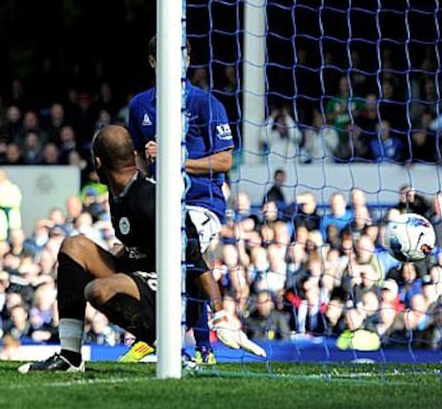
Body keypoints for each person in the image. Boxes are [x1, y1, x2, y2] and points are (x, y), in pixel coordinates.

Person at [17, 125, 264, 374]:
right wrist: (123, 253)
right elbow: (142, 246)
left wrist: (219, 315)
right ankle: (71, 358)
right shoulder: (118, 192)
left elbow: (196, 260)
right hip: (139, 277)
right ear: (133, 155)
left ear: (98, 163)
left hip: (168, 293)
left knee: (97, 290)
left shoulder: (153, 199)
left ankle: (171, 350)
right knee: (74, 245)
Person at [123, 36, 233, 364]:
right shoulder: (140, 105)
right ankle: (188, 346)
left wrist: (173, 159)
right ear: (153, 61)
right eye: (166, 56)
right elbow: (139, 157)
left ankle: (181, 338)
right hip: (160, 202)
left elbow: (225, 161)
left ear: (188, 59)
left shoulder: (205, 104)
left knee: (183, 248)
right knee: (136, 257)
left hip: (201, 202)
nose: (175, 61)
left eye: (180, 55)